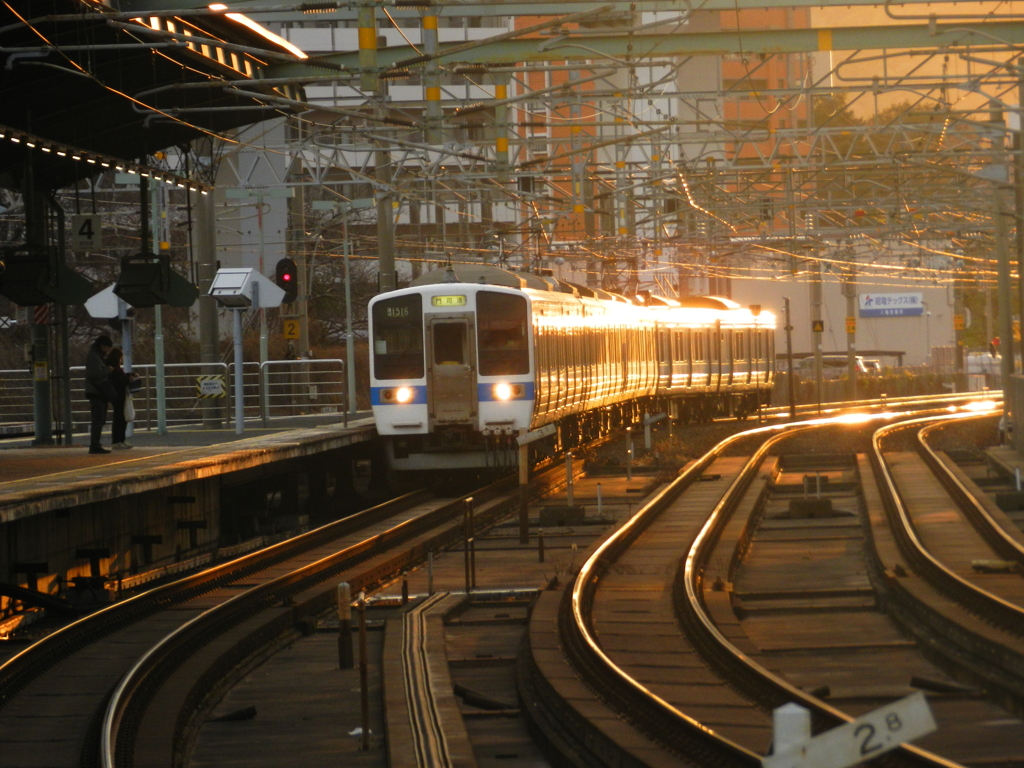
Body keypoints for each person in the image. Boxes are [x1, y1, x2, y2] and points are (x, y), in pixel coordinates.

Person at [84, 335, 114, 454]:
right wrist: (108, 370)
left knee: (99, 419)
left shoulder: (96, 355)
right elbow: (96, 374)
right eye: (107, 348)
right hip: (96, 392)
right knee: (97, 419)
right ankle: (94, 445)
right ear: (103, 346)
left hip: (97, 391)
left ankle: (95, 444)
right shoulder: (94, 357)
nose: (107, 351)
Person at [106, 347, 139, 450]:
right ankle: (117, 440)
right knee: (119, 418)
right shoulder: (113, 369)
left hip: (118, 395)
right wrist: (128, 378)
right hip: (118, 395)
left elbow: (121, 378)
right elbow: (119, 381)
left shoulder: (113, 368)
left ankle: (120, 440)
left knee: (120, 417)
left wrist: (129, 375)